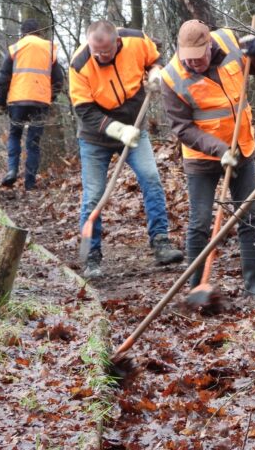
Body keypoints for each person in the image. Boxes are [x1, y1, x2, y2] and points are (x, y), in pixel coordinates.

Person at [161, 20, 255, 298]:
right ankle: (195, 288)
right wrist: (219, 149)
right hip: (202, 159)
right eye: (188, 59)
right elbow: (182, 128)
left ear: (210, 46)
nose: (193, 64)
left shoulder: (230, 42)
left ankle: (254, 290)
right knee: (200, 223)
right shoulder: (171, 77)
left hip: (242, 149)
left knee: (249, 218)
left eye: (199, 59)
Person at [69, 20, 184, 278]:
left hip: (135, 126)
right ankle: (91, 257)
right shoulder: (79, 63)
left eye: (106, 52)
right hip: (96, 137)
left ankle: (161, 242)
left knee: (151, 178)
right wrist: (117, 130)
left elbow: (154, 58)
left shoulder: (136, 40)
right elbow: (84, 109)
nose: (100, 56)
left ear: (117, 42)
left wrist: (155, 73)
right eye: (96, 51)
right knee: (94, 195)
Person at [0, 18, 64, 190]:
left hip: (17, 101)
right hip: (40, 102)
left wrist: (1, 103)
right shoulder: (49, 48)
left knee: (15, 135)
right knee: (33, 142)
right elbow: (58, 80)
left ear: (23, 33)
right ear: (39, 32)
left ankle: (12, 170)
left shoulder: (16, 48)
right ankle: (30, 183)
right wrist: (50, 98)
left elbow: (3, 79)